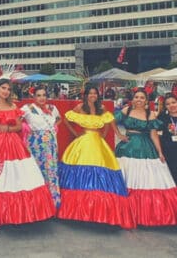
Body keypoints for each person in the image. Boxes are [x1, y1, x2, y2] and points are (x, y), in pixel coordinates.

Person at [58, 85, 135, 229]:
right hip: (82, 143)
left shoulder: (102, 109)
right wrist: (76, 134)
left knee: (101, 169)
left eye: (95, 93)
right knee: (80, 172)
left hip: (98, 143)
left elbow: (110, 121)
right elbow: (66, 120)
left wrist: (116, 134)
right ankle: (79, 211)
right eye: (90, 93)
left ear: (98, 95)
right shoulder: (80, 107)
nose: (92, 95)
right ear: (86, 95)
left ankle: (98, 211)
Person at [0, 79, 55, 225]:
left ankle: (22, 213)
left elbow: (18, 126)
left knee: (19, 174)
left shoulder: (13, 106)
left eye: (8, 89)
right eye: (3, 88)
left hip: (13, 143)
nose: (6, 91)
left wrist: (7, 129)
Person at [113, 88, 177, 226]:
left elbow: (154, 134)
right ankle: (123, 213)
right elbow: (111, 120)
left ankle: (142, 215)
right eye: (137, 97)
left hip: (146, 148)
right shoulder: (127, 110)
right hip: (126, 148)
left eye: (142, 97)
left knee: (145, 179)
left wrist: (160, 152)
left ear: (146, 100)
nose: (139, 100)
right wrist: (119, 135)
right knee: (126, 178)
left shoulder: (151, 114)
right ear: (133, 99)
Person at [20, 85, 62, 208]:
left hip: (50, 144)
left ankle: (52, 203)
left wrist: (55, 126)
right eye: (38, 95)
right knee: (35, 171)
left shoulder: (52, 108)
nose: (42, 98)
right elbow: (17, 119)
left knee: (50, 171)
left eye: (44, 95)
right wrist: (25, 127)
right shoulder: (27, 108)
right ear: (33, 96)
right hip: (34, 144)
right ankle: (36, 204)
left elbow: (59, 119)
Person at [159, 93, 177, 182]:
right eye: (168, 104)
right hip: (169, 152)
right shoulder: (162, 117)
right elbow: (156, 133)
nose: (171, 105)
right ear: (165, 106)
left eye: (173, 102)